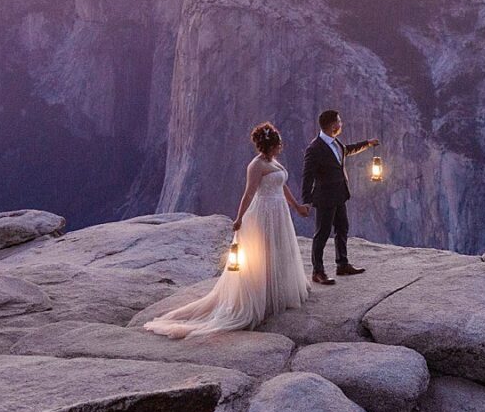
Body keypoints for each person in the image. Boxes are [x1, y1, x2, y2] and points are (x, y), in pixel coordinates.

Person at [142, 122, 311, 338]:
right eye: (279, 144)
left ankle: (274, 292)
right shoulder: (256, 165)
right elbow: (248, 194)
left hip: (279, 213)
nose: (281, 147)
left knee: (278, 251)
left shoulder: (272, 162)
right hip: (263, 214)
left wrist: (296, 206)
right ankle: (260, 298)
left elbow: (282, 185)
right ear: (270, 145)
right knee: (263, 253)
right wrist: (239, 218)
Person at [300, 108, 379, 285]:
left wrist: (367, 143)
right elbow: (307, 176)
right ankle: (317, 271)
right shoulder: (315, 148)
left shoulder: (335, 143)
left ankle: (342, 264)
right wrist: (306, 201)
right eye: (339, 121)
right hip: (325, 197)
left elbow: (346, 151)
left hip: (340, 195)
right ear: (333, 125)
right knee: (322, 233)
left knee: (342, 228)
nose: (341, 124)